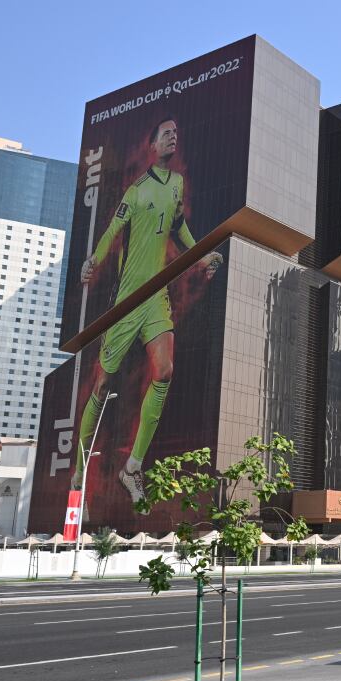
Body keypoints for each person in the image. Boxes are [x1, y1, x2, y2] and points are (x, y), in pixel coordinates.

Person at [73, 116, 222, 506]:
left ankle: (133, 467)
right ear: (152, 145)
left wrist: (202, 256)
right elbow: (111, 232)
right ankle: (79, 467)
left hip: (156, 296)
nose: (174, 136)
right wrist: (93, 261)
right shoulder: (136, 191)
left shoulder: (177, 184)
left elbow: (179, 228)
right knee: (102, 385)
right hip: (127, 300)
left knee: (165, 371)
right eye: (166, 133)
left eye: (176, 132)